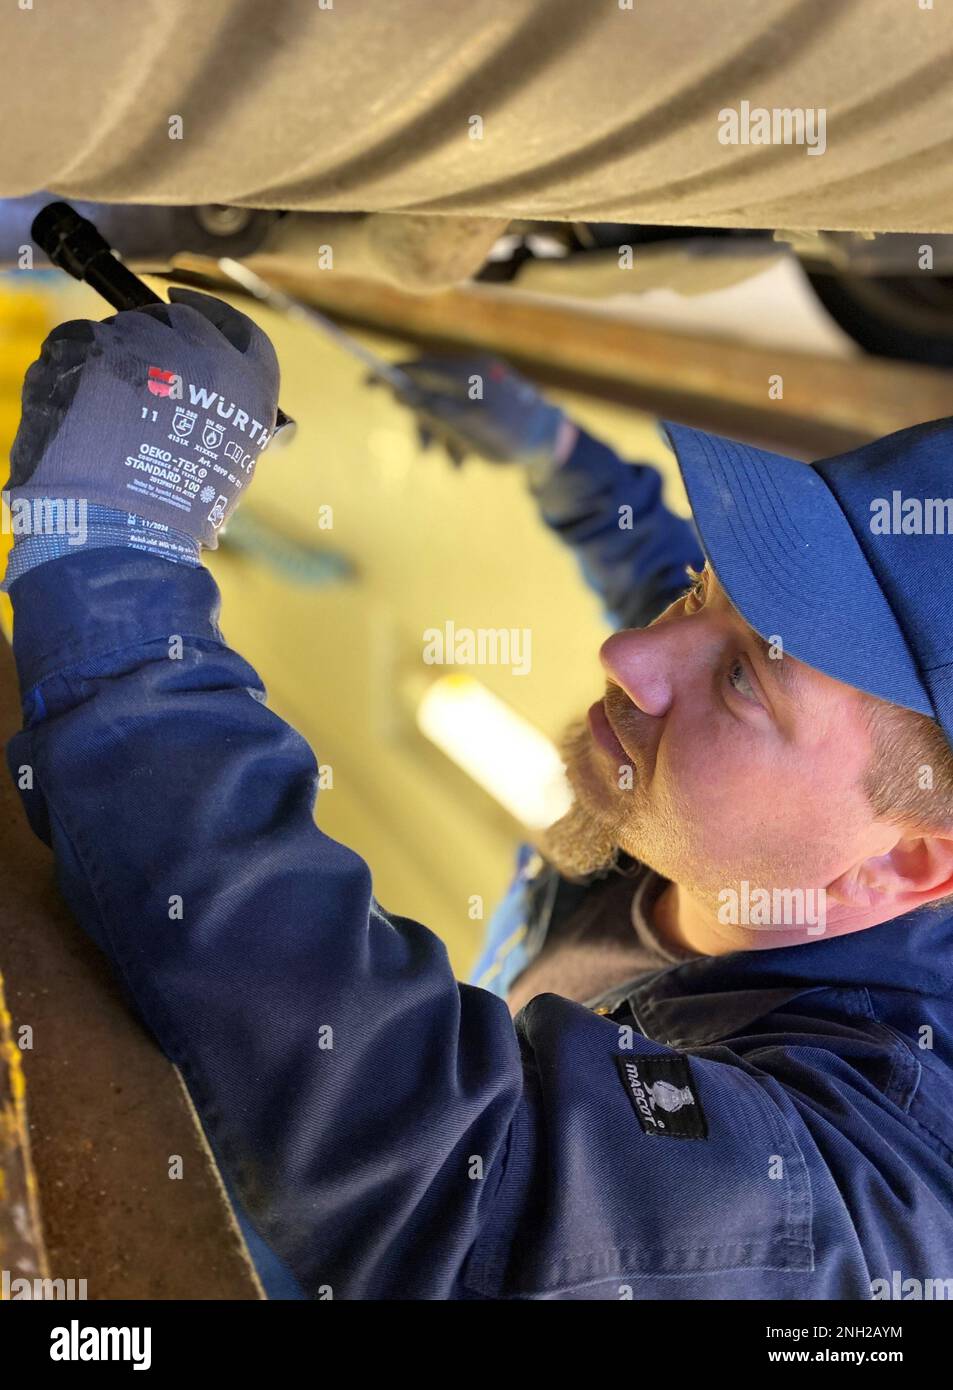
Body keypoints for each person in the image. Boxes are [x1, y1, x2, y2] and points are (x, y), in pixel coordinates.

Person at [4, 295, 953, 1301]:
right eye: (696, 590)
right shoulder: (758, 812)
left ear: (907, 860)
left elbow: (465, 1190)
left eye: (738, 680)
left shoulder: (874, 1201)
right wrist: (548, 448)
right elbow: (652, 561)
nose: (628, 656)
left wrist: (114, 567)